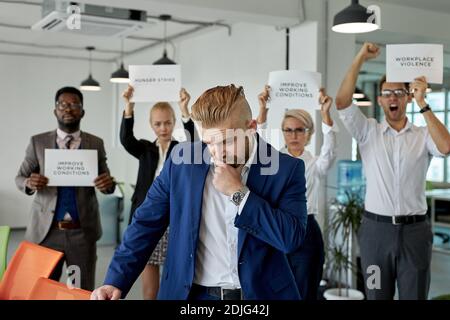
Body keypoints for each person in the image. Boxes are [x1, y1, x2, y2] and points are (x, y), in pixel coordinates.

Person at [91, 84, 308, 300]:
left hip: (260, 296)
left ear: (251, 127)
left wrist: (239, 193)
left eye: (227, 141)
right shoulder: (181, 160)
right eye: (209, 142)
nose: (218, 153)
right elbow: (145, 224)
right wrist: (114, 280)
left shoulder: (286, 169)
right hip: (191, 296)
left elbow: (291, 238)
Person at [335, 42, 450, 300]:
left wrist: (424, 104)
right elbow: (342, 102)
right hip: (376, 234)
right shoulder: (368, 132)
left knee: (415, 296)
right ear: (380, 99)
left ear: (408, 97)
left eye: (400, 92)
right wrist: (361, 57)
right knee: (376, 295)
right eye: (387, 93)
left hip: (415, 234)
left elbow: (446, 146)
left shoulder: (423, 136)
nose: (393, 97)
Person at [15, 86, 116, 291]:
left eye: (73, 105)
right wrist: (29, 183)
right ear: (55, 110)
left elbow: (107, 181)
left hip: (82, 231)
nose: (67, 109)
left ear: (82, 111)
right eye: (62, 104)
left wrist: (109, 185)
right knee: (42, 287)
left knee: (80, 288)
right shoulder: (38, 142)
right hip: (46, 231)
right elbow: (20, 177)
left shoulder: (95, 143)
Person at [257, 86, 337, 300]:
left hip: (306, 231)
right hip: (278, 229)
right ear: (282, 132)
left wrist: (326, 113)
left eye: (299, 129)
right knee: (275, 291)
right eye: (288, 130)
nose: (293, 135)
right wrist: (263, 109)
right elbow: (258, 143)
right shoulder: (274, 161)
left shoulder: (314, 164)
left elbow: (329, 152)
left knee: (304, 292)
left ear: (308, 133)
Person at [120, 85, 196, 300]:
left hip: (174, 217)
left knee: (175, 272)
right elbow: (126, 139)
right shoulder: (145, 149)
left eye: (168, 122)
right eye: (158, 124)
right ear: (151, 125)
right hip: (149, 215)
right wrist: (128, 108)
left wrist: (184, 110)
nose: (163, 128)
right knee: (149, 275)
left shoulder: (181, 149)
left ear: (174, 122)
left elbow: (195, 144)